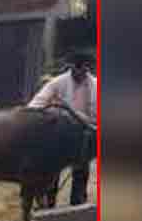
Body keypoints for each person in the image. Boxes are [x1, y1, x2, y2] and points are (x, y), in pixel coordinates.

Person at [29, 50, 97, 206]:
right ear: (71, 67)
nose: (81, 72)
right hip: (60, 133)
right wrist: (30, 116)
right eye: (78, 67)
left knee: (81, 170)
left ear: (88, 68)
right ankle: (49, 204)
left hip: (84, 133)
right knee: (53, 169)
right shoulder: (57, 83)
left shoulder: (96, 85)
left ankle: (77, 203)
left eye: (85, 68)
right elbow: (37, 103)